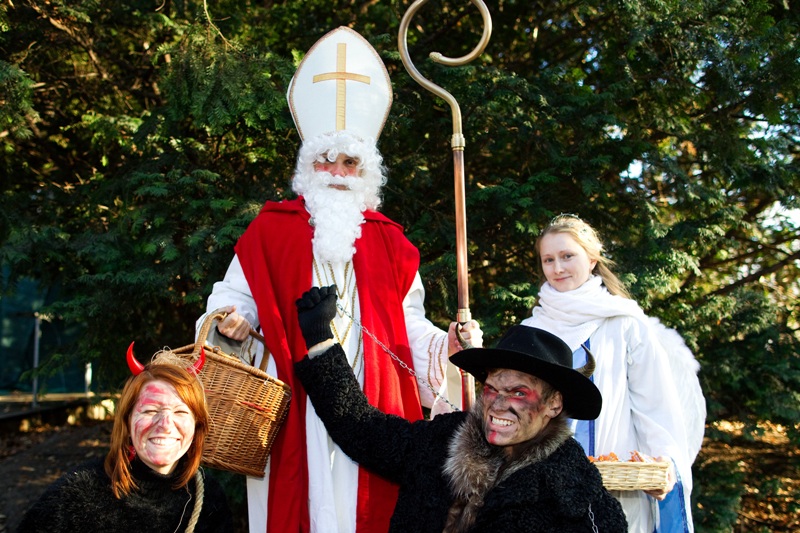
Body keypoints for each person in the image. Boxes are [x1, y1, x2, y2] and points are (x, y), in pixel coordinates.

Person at [196, 27, 482, 533]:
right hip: (294, 398)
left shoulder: (391, 241)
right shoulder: (270, 230)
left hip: (371, 407)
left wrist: (448, 346)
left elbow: (407, 325)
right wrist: (232, 320)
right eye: (326, 159)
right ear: (309, 164)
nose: (337, 170)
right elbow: (233, 299)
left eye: (350, 162)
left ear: (365, 173)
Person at [290, 285, 627, 532]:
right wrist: (320, 340)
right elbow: (360, 428)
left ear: (554, 404)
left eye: (519, 393)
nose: (498, 403)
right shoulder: (442, 438)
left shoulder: (572, 483)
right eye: (492, 388)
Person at [520, 214, 706, 532]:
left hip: (615, 485)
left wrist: (662, 463)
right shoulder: (532, 330)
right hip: (543, 489)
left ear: (591, 258)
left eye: (567, 256)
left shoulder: (625, 323)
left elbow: (654, 403)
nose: (558, 268)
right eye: (548, 259)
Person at [17, 346, 234, 533]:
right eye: (150, 410)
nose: (166, 424)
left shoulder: (209, 500)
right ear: (127, 422)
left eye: (180, 412)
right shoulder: (77, 495)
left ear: (196, 426)